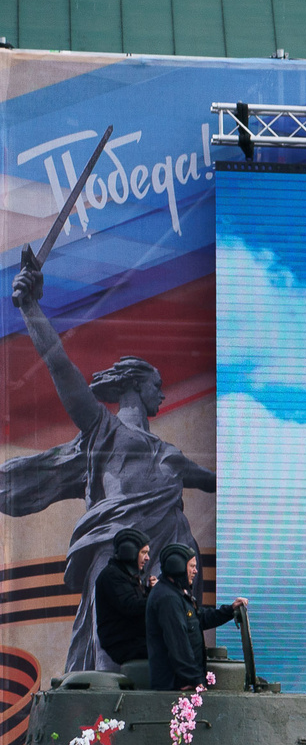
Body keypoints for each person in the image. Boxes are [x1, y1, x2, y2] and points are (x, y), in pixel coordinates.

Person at [0, 255, 218, 673]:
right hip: (118, 556)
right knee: (111, 657)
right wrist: (31, 308)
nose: (163, 395)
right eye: (157, 385)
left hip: (173, 558)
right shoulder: (104, 430)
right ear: (136, 384)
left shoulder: (171, 454)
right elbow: (60, 366)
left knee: (173, 652)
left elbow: (215, 481)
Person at [141, 540, 243, 691]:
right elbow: (178, 643)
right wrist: (194, 679)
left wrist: (230, 610)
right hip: (176, 685)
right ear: (178, 567)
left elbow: (199, 619)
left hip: (182, 682)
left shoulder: (176, 594)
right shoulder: (168, 599)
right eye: (192, 566)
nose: (195, 571)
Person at [92, 528, 152, 674]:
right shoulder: (112, 576)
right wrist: (157, 596)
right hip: (124, 643)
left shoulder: (127, 576)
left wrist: (150, 591)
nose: (147, 558)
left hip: (135, 640)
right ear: (130, 552)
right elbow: (130, 606)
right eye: (144, 552)